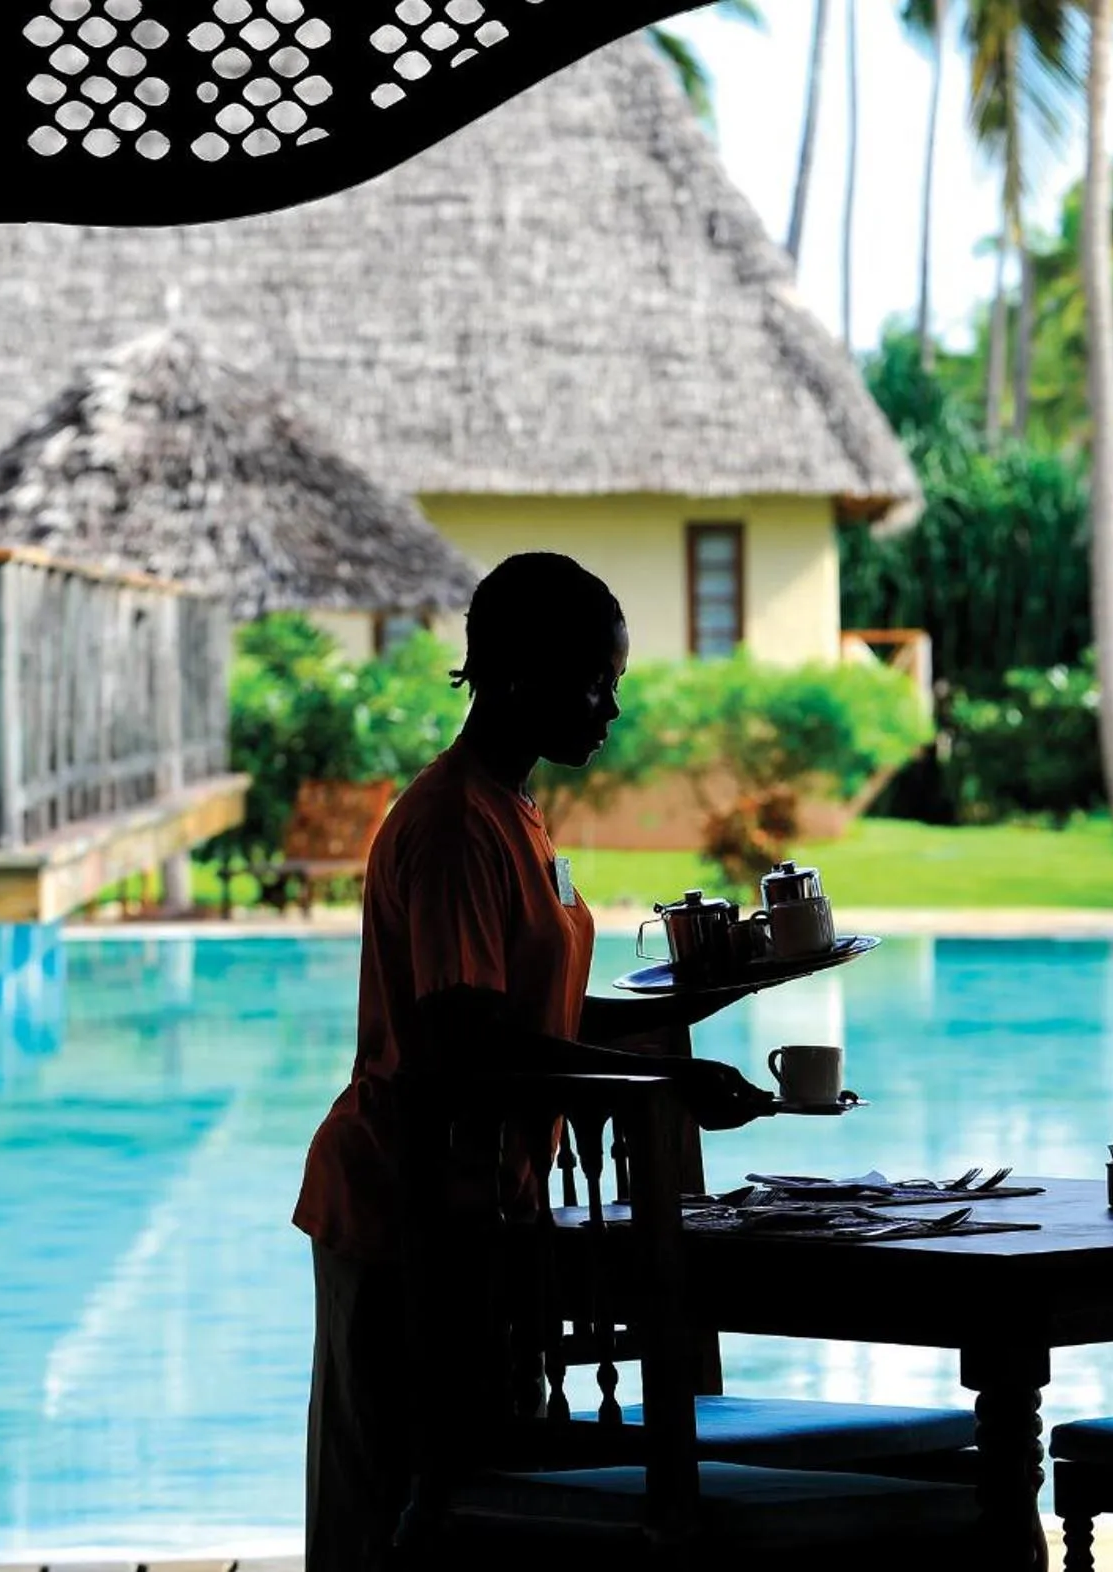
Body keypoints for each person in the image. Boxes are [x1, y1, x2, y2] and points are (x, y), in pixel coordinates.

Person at [291, 552, 772, 1571]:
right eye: (597, 681)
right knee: (392, 1512)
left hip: (480, 1216)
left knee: (466, 1500)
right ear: (518, 677)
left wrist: (679, 1017)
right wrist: (660, 1082)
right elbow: (461, 1039)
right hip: (400, 1215)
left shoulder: (512, 810)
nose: (610, 707)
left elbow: (530, 1006)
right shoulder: (459, 826)